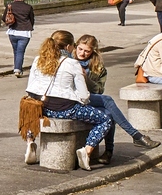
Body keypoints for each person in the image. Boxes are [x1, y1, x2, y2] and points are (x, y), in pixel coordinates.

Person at [24, 29, 111, 171]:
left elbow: (30, 88)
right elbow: (84, 96)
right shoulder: (72, 63)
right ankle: (87, 150)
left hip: (42, 107)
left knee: (31, 111)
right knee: (104, 119)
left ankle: (30, 142)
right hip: (66, 109)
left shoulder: (38, 59)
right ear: (69, 46)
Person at [75, 34, 152, 161]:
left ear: (93, 51)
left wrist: (86, 79)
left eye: (87, 51)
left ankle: (108, 151)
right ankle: (136, 135)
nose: (82, 53)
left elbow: (99, 90)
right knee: (108, 100)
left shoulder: (98, 67)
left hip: (90, 98)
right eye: (80, 49)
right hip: (74, 99)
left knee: (109, 114)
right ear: (76, 46)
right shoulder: (70, 62)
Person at [5, 0, 36, 75]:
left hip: (13, 32)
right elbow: (32, 19)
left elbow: (4, 18)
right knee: (20, 51)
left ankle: (17, 68)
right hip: (24, 33)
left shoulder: (10, 6)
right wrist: (30, 26)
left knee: (16, 51)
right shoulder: (28, 7)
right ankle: (18, 69)